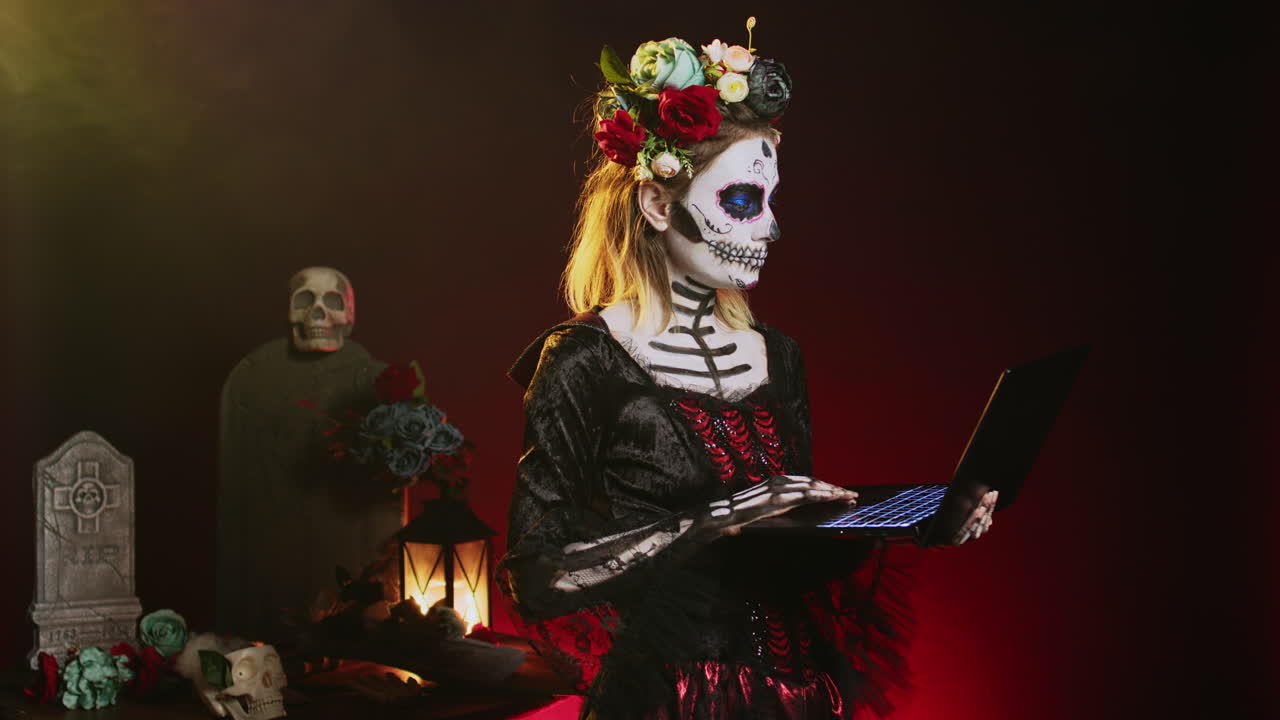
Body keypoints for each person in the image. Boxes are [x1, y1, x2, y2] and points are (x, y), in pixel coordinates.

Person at [501, 29, 997, 720]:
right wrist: (711, 520)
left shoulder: (779, 354)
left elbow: (788, 549)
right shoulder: (582, 359)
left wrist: (918, 522)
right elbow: (537, 577)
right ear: (657, 204)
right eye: (741, 201)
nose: (769, 228)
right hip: (667, 702)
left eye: (770, 202)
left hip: (799, 698)